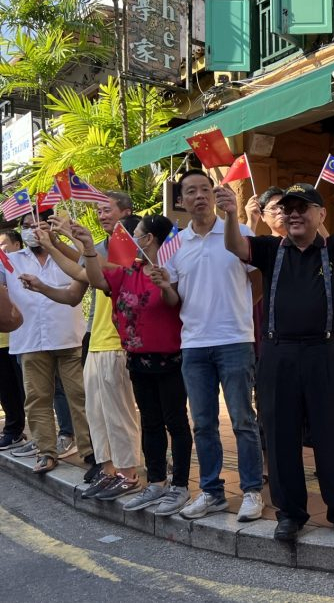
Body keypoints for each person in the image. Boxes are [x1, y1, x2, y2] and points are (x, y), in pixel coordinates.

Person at [220, 180, 334, 541]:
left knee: (332, 433)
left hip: (323, 352)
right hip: (278, 353)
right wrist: (230, 214)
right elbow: (233, 244)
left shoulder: (333, 248)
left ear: (321, 214)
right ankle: (290, 514)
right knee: (280, 435)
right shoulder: (270, 249)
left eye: (302, 207)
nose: (293, 214)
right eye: (288, 208)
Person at [78, 215, 194, 516]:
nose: (131, 240)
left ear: (149, 239)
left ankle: (179, 485)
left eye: (137, 235)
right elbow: (95, 279)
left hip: (170, 360)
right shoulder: (129, 270)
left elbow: (173, 303)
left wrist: (167, 286)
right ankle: (156, 482)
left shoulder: (173, 269)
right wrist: (90, 249)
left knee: (176, 422)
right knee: (150, 422)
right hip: (137, 360)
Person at [167, 169, 265, 522]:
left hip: (235, 340)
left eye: (205, 189)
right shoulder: (174, 245)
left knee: (243, 419)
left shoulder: (240, 231)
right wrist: (162, 285)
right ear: (181, 201)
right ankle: (212, 492)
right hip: (194, 344)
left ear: (214, 193)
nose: (199, 196)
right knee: (204, 423)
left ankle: (253, 490)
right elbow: (172, 296)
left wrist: (238, 311)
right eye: (190, 191)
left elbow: (258, 281)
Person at [40, 195, 143, 501]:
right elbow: (80, 270)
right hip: (95, 341)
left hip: (117, 342)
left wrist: (63, 241)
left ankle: (128, 474)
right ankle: (109, 470)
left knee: (119, 414)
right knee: (97, 415)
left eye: (106, 209)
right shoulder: (99, 248)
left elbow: (86, 269)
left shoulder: (131, 248)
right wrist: (54, 242)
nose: (100, 215)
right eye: (98, 210)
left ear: (127, 212)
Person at [2, 212, 92, 474]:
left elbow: (89, 267)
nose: (32, 231)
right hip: (29, 339)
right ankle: (46, 452)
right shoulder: (10, 261)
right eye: (26, 227)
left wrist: (60, 241)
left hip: (68, 337)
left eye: (37, 226)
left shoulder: (64, 257)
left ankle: (89, 451)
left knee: (79, 396)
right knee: (37, 399)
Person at [0, 230, 26, 450]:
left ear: (17, 244)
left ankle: (40, 437)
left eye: (4, 245)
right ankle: (13, 430)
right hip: (2, 340)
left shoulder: (25, 266)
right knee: (6, 390)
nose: (1, 250)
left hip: (22, 338)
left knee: (28, 390)